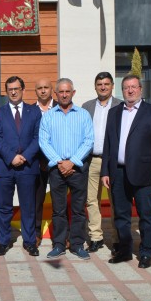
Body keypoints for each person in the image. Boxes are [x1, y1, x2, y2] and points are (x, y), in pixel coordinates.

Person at [100, 75, 151, 269]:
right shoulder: (114, 113)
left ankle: (146, 252)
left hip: (144, 174)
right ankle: (125, 251)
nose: (130, 90)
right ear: (122, 90)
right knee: (121, 215)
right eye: (126, 87)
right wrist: (105, 170)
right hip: (118, 173)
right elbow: (108, 144)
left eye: (133, 87)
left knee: (146, 215)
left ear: (140, 89)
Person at [40, 79, 94, 259]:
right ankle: (59, 244)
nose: (64, 95)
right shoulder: (48, 116)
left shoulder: (83, 114)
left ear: (73, 92)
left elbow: (89, 141)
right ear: (55, 94)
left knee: (79, 209)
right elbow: (43, 142)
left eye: (67, 91)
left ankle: (77, 244)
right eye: (60, 92)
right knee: (58, 209)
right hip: (56, 169)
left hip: (77, 169)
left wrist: (72, 161)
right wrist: (59, 162)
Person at [0, 76, 42, 257]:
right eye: (10, 89)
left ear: (23, 89)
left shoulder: (34, 111)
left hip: (28, 167)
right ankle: (4, 241)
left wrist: (25, 156)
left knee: (28, 207)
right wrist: (11, 157)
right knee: (4, 207)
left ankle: (30, 241)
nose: (13, 92)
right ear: (6, 92)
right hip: (5, 166)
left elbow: (38, 138)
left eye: (16, 88)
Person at [81, 72, 121, 252]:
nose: (103, 87)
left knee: (117, 201)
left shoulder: (121, 105)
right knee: (91, 200)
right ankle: (95, 237)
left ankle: (118, 239)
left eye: (106, 84)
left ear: (112, 85)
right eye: (99, 84)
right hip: (93, 160)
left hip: (114, 161)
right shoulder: (87, 106)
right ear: (95, 86)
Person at [33, 78, 56, 247]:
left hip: (58, 162)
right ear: (35, 91)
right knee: (37, 200)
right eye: (39, 88)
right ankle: (35, 233)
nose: (43, 91)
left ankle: (61, 234)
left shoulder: (61, 107)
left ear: (51, 89)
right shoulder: (30, 110)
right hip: (36, 162)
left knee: (59, 200)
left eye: (46, 87)